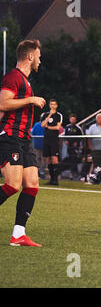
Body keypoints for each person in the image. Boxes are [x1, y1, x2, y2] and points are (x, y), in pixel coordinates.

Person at [0, 39, 46, 247]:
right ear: (29, 56)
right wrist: (31, 100)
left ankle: (18, 234)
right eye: (38, 55)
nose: (40, 59)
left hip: (24, 140)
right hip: (10, 136)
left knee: (32, 184)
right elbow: (3, 103)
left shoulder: (26, 82)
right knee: (12, 184)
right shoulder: (13, 77)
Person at [40, 99, 63, 185]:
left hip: (54, 139)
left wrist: (48, 127)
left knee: (54, 158)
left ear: (56, 106)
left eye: (54, 104)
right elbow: (42, 125)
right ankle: (51, 179)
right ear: (49, 105)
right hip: (46, 139)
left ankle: (56, 180)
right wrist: (49, 115)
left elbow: (57, 127)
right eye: (51, 104)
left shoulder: (59, 115)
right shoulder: (45, 114)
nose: (53, 106)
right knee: (48, 159)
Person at [62, 113, 83, 180]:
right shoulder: (67, 127)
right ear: (69, 119)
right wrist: (66, 140)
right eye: (71, 119)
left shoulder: (78, 128)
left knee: (75, 159)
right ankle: (71, 172)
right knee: (70, 159)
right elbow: (65, 135)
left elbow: (81, 137)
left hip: (75, 147)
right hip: (69, 147)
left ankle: (74, 172)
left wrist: (77, 142)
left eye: (74, 119)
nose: (72, 120)